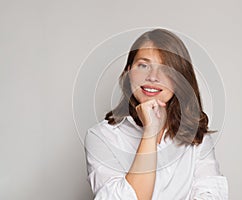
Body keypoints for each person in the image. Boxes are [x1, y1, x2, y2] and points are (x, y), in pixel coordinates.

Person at [85, 28, 228, 200]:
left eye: (166, 68)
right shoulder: (102, 137)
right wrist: (150, 132)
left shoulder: (196, 137)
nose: (153, 77)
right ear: (129, 72)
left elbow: (211, 196)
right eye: (143, 66)